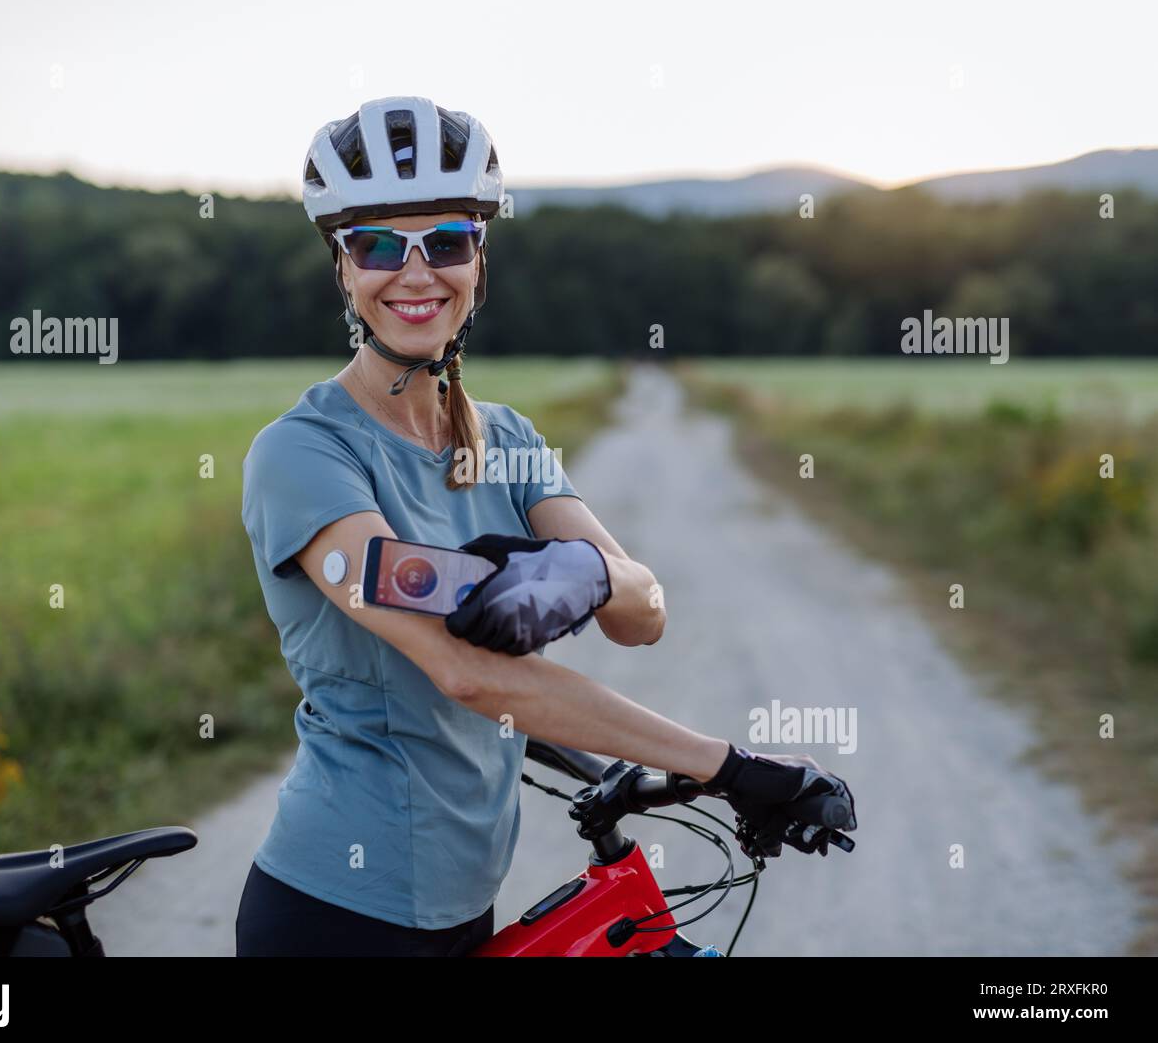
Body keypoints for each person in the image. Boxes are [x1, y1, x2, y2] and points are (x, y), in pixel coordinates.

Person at [234, 96, 855, 957]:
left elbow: (644, 615)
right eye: (378, 245)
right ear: (343, 268)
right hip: (340, 912)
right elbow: (466, 674)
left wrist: (597, 573)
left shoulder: (511, 442)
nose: (416, 274)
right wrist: (731, 767)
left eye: (446, 241)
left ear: (478, 259)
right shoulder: (303, 456)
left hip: (462, 901)